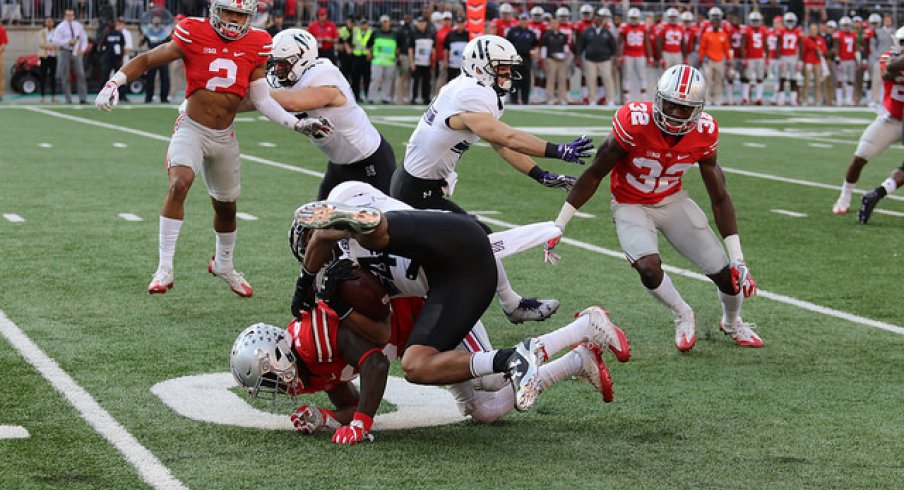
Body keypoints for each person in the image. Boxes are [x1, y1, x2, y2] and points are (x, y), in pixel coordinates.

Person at [288, 196, 630, 421]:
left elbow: (323, 237)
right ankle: (572, 354)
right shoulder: (341, 285)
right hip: (443, 293)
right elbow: (381, 331)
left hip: (451, 257)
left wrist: (304, 283)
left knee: (369, 235)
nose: (316, 259)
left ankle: (581, 329)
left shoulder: (351, 233)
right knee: (471, 402)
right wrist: (336, 301)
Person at [93, 0, 331, 296]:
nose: (233, 19)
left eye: (240, 14)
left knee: (226, 207)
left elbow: (262, 100)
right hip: (192, 127)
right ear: (215, 11)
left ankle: (224, 264)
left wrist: (295, 124)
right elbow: (147, 59)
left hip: (224, 136)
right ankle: (164, 267)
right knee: (180, 183)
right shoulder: (193, 31)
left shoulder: (258, 42)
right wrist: (114, 83)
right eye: (229, 12)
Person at [545, 65, 762, 352]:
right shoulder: (634, 122)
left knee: (727, 275)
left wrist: (738, 258)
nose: (675, 114)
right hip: (630, 203)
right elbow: (595, 173)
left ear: (698, 109)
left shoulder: (705, 131)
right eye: (670, 104)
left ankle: (732, 322)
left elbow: (719, 196)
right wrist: (560, 223)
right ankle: (683, 313)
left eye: (684, 109)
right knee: (648, 268)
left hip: (672, 201)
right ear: (658, 99)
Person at [390, 35, 593, 324]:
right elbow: (505, 136)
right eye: (503, 68)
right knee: (477, 239)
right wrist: (558, 150)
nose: (508, 74)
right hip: (416, 191)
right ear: (480, 67)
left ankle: (503, 305)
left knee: (461, 244)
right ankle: (509, 305)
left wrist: (540, 174)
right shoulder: (472, 94)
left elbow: (502, 145)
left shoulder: (472, 90)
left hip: (421, 185)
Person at [266, 29, 396, 199]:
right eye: (276, 63)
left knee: (386, 220)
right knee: (314, 222)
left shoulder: (323, 75)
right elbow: (260, 101)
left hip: (370, 160)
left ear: (302, 59)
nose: (278, 69)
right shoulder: (292, 80)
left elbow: (293, 103)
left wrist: (255, 91)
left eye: (284, 63)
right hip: (338, 164)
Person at [833, 28, 904, 219]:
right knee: (860, 157)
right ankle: (845, 195)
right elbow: (889, 71)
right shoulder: (888, 57)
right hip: (892, 119)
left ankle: (877, 193)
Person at [577, 8, 617, 107]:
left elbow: (613, 46)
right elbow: (581, 45)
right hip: (590, 59)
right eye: (596, 19)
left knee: (607, 79)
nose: (598, 21)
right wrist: (578, 57)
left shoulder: (606, 32)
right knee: (591, 80)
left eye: (600, 19)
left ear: (602, 21)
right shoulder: (587, 31)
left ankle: (610, 99)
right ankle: (592, 100)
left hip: (604, 59)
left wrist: (612, 56)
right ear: (594, 20)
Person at [52, 9, 88, 104]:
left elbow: (84, 38)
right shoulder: (60, 27)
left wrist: (83, 49)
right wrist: (67, 42)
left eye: (71, 15)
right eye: (68, 15)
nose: (70, 17)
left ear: (74, 16)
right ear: (65, 16)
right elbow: (55, 41)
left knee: (80, 74)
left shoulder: (78, 26)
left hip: (76, 52)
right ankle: (68, 99)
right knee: (65, 76)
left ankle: (83, 98)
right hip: (65, 51)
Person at [698, 7, 731, 106]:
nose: (716, 22)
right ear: (711, 22)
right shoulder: (706, 34)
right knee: (708, 81)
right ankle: (707, 98)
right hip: (709, 60)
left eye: (718, 21)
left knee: (718, 80)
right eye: (714, 21)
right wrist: (701, 59)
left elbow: (726, 48)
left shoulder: (723, 35)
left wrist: (729, 59)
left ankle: (717, 98)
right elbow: (702, 48)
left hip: (720, 60)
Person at [618, 8, 651, 103]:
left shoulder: (643, 27)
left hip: (640, 54)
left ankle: (644, 98)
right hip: (628, 54)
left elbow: (646, 42)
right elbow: (619, 42)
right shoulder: (624, 27)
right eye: (632, 18)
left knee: (642, 77)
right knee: (627, 76)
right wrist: (620, 55)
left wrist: (650, 56)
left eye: (635, 18)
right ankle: (626, 99)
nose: (633, 20)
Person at [506, 12, 538, 105]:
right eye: (522, 19)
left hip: (527, 59)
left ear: (528, 21)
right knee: (515, 80)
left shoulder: (531, 33)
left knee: (526, 80)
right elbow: (507, 44)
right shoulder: (512, 31)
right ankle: (514, 100)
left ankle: (525, 100)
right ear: (519, 20)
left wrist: (535, 52)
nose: (524, 21)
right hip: (515, 58)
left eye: (525, 19)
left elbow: (535, 45)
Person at [367, 15, 397, 104]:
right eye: (383, 22)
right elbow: (369, 44)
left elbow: (398, 45)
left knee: (388, 79)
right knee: (376, 79)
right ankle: (371, 97)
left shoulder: (395, 33)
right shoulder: (375, 32)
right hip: (377, 60)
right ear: (381, 23)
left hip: (390, 60)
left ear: (389, 22)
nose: (385, 24)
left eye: (386, 22)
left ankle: (385, 97)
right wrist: (369, 53)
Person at [142, 14, 171, 103]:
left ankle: (164, 98)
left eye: (158, 19)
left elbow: (170, 42)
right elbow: (141, 43)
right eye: (155, 19)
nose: (156, 20)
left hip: (163, 57)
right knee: (150, 78)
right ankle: (148, 97)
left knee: (165, 78)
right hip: (152, 57)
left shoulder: (164, 31)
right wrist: (142, 35)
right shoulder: (148, 32)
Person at [98, 19, 129, 103]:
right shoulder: (106, 34)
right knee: (105, 78)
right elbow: (101, 45)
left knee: (120, 78)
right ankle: (104, 95)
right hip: (107, 60)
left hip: (117, 60)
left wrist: (121, 57)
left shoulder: (119, 34)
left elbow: (122, 45)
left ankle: (122, 95)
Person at [741, 11, 768, 105]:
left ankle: (758, 98)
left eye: (757, 20)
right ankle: (745, 97)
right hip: (750, 57)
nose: (756, 22)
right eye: (754, 20)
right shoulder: (747, 30)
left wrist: (767, 58)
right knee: (747, 78)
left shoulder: (763, 30)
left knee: (760, 78)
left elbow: (766, 44)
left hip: (760, 57)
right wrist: (744, 58)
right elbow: (743, 45)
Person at [541, 15, 569, 104]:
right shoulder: (547, 35)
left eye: (556, 23)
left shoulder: (562, 35)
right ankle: (550, 97)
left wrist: (566, 55)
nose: (554, 25)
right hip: (551, 59)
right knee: (551, 79)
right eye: (552, 23)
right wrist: (544, 59)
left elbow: (565, 47)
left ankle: (562, 98)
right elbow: (544, 48)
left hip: (561, 60)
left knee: (562, 79)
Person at [409, 16, 434, 104]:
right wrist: (412, 62)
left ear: (426, 23)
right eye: (420, 22)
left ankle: (426, 98)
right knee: (415, 81)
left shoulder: (430, 33)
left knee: (426, 81)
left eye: (423, 22)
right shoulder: (414, 34)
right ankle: (414, 98)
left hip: (427, 62)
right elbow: (410, 49)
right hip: (417, 62)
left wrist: (433, 61)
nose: (421, 24)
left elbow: (433, 48)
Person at [801, 23, 827, 105]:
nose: (813, 31)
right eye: (812, 29)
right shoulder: (806, 39)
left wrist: (820, 50)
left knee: (818, 82)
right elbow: (804, 51)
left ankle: (817, 99)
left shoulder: (820, 39)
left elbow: (824, 50)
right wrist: (803, 62)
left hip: (817, 62)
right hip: (809, 61)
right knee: (807, 82)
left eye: (815, 29)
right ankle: (805, 99)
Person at [349, 17, 373, 102]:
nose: (364, 26)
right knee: (355, 78)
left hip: (366, 58)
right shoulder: (355, 31)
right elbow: (349, 41)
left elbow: (373, 44)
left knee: (367, 78)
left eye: (365, 24)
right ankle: (355, 96)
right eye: (362, 24)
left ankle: (367, 95)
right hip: (356, 57)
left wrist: (371, 53)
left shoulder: (371, 32)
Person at [37, 17, 58, 103]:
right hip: (44, 56)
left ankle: (53, 96)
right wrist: (51, 46)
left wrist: (53, 46)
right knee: (43, 76)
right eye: (47, 22)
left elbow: (58, 42)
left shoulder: (56, 32)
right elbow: (41, 44)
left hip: (53, 56)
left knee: (53, 77)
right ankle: (42, 96)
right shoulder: (42, 32)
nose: (49, 23)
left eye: (50, 22)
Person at [443, 17, 470, 81]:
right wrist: (445, 61)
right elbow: (446, 49)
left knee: (463, 82)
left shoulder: (468, 35)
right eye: (459, 24)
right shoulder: (450, 34)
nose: (460, 25)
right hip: (452, 64)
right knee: (451, 81)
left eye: (462, 24)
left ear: (464, 24)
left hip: (464, 65)